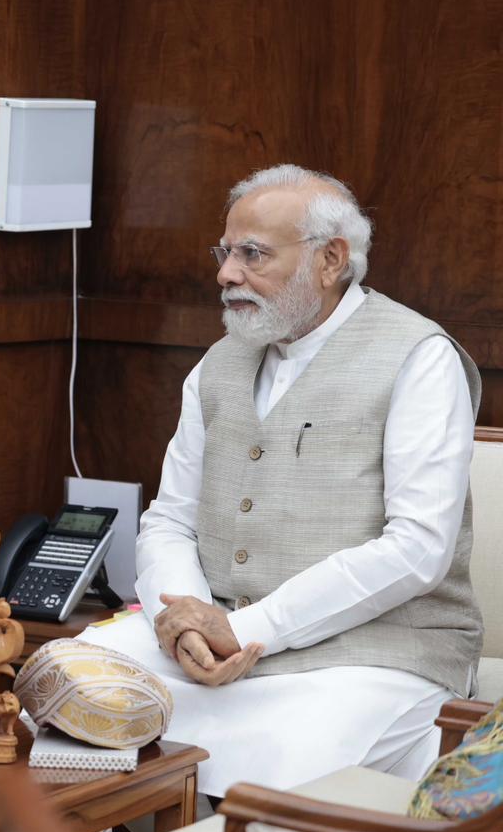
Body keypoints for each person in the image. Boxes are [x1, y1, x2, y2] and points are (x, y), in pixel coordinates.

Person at [78, 164, 482, 798]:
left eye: (252, 254)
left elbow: (418, 549)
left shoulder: (419, 357)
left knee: (286, 753)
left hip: (372, 655)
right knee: (64, 688)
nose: (226, 274)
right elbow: (170, 518)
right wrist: (187, 619)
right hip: (213, 638)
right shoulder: (219, 362)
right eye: (225, 251)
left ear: (330, 260)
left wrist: (249, 628)